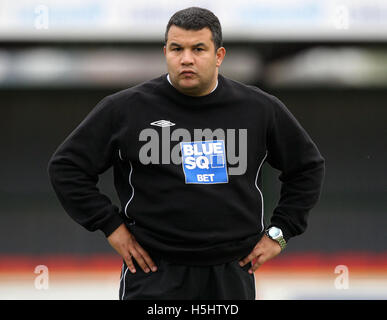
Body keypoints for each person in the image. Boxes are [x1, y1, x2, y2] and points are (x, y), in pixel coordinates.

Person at [48, 7, 325, 300]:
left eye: (199, 49)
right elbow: (67, 167)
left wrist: (279, 234)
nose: (186, 59)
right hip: (153, 271)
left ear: (219, 56)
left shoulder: (259, 109)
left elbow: (308, 167)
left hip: (230, 272)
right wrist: (111, 226)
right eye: (177, 48)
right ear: (165, 52)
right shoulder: (125, 109)